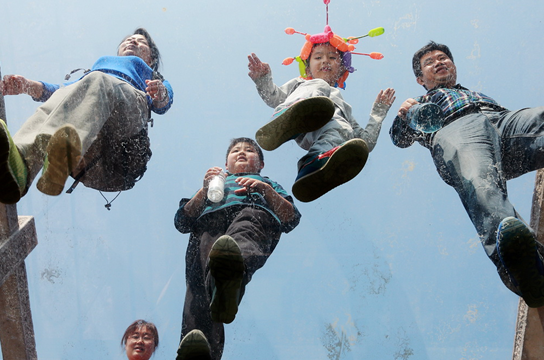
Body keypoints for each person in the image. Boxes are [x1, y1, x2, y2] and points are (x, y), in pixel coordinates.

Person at [390, 41, 544, 308]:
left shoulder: (473, 92)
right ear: (420, 79)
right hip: (459, 129)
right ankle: (529, 272)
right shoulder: (420, 104)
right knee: (481, 187)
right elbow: (399, 139)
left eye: (443, 58)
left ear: (454, 66)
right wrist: (404, 114)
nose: (439, 62)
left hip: (501, 121)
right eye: (430, 62)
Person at [0, 27, 174, 204]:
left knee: (99, 81)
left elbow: (164, 103)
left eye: (141, 42)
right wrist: (27, 85)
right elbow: (58, 91)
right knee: (63, 96)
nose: (132, 41)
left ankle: (61, 151)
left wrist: (160, 93)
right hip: (92, 154)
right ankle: (20, 167)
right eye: (127, 39)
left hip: (124, 137)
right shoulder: (94, 75)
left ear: (151, 59)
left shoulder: (151, 75)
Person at [174, 137, 301, 359]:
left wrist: (265, 191)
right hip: (208, 223)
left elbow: (290, 217)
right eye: (235, 151)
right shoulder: (214, 184)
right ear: (226, 164)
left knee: (244, 236)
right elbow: (182, 221)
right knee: (198, 288)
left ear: (261, 165)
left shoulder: (267, 183)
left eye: (250, 150)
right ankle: (199, 348)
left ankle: (230, 273)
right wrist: (204, 191)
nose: (241, 153)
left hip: (252, 211)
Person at [248, 28, 395, 202]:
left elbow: (366, 143)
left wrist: (378, 113)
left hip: (319, 134)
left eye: (332, 58)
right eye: (318, 57)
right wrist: (263, 79)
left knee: (343, 130)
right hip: (300, 119)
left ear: (341, 70)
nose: (325, 61)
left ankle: (313, 164)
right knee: (321, 86)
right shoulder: (301, 84)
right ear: (308, 68)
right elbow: (274, 98)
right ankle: (289, 116)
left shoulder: (344, 107)